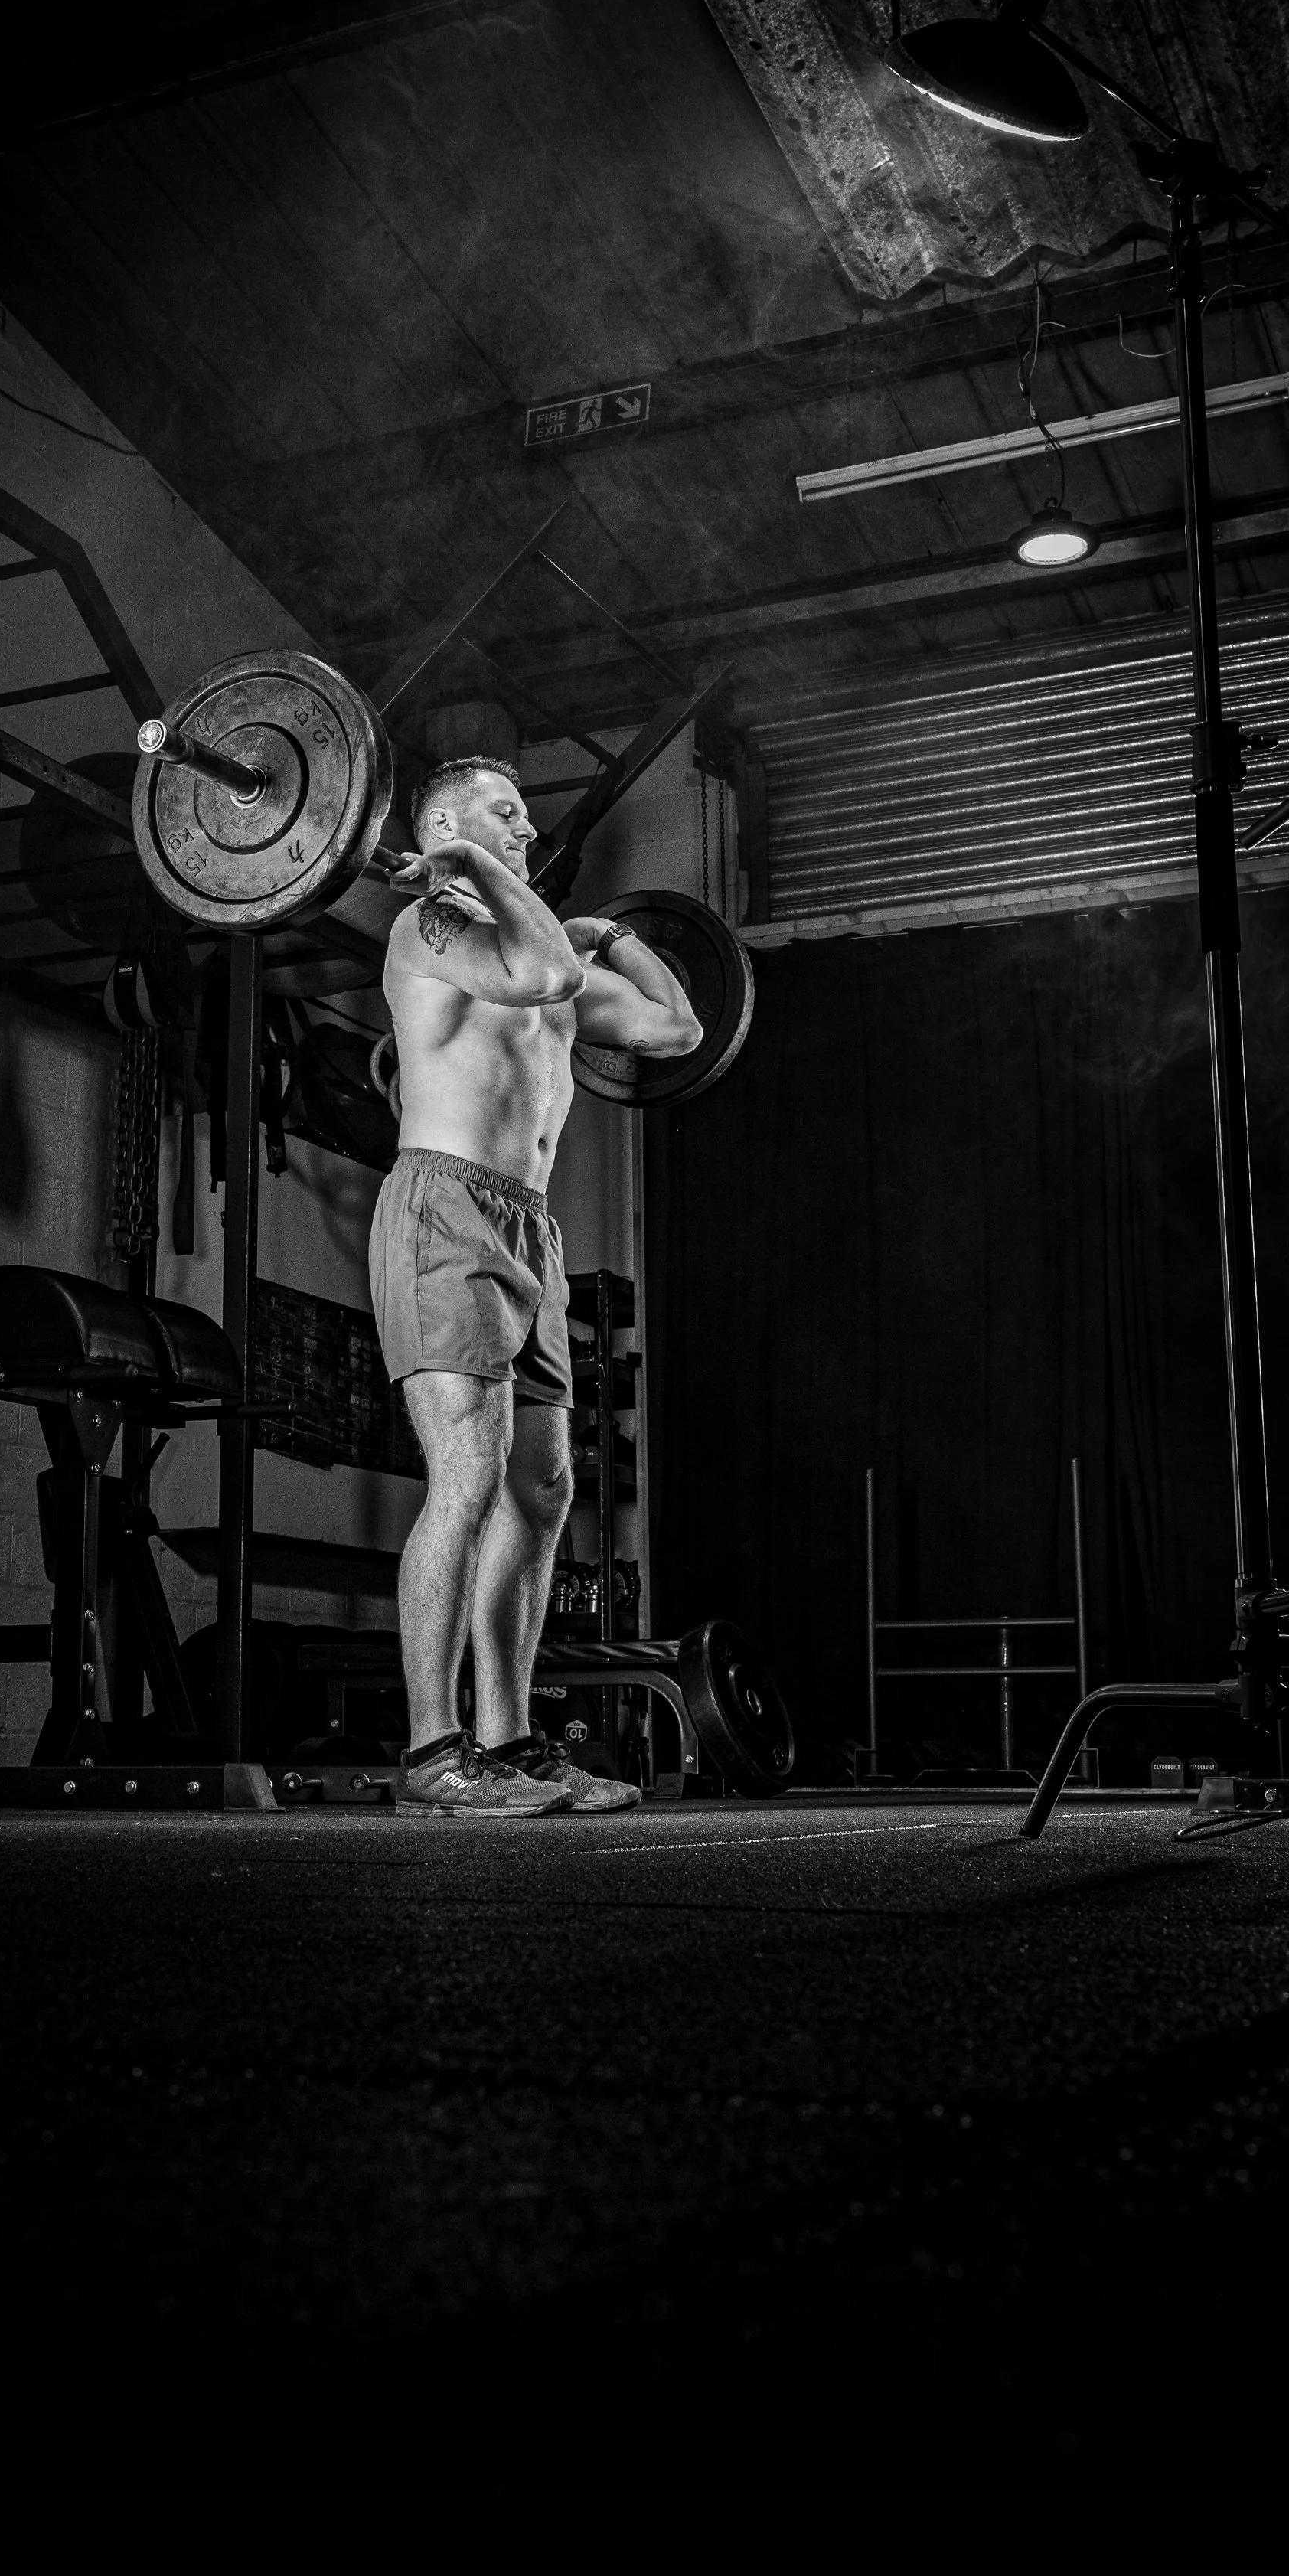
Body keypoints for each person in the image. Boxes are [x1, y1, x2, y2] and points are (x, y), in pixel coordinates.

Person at [370, 753, 703, 1815]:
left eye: (520, 816)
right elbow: (543, 975)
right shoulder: (428, 932)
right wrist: (468, 871)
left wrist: (618, 934)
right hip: (445, 1206)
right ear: (446, 828)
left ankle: (510, 1742)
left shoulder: (549, 948)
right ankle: (432, 1753)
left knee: (544, 1486)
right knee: (465, 1472)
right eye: (501, 816)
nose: (527, 827)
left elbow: (676, 1026)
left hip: (532, 1227)